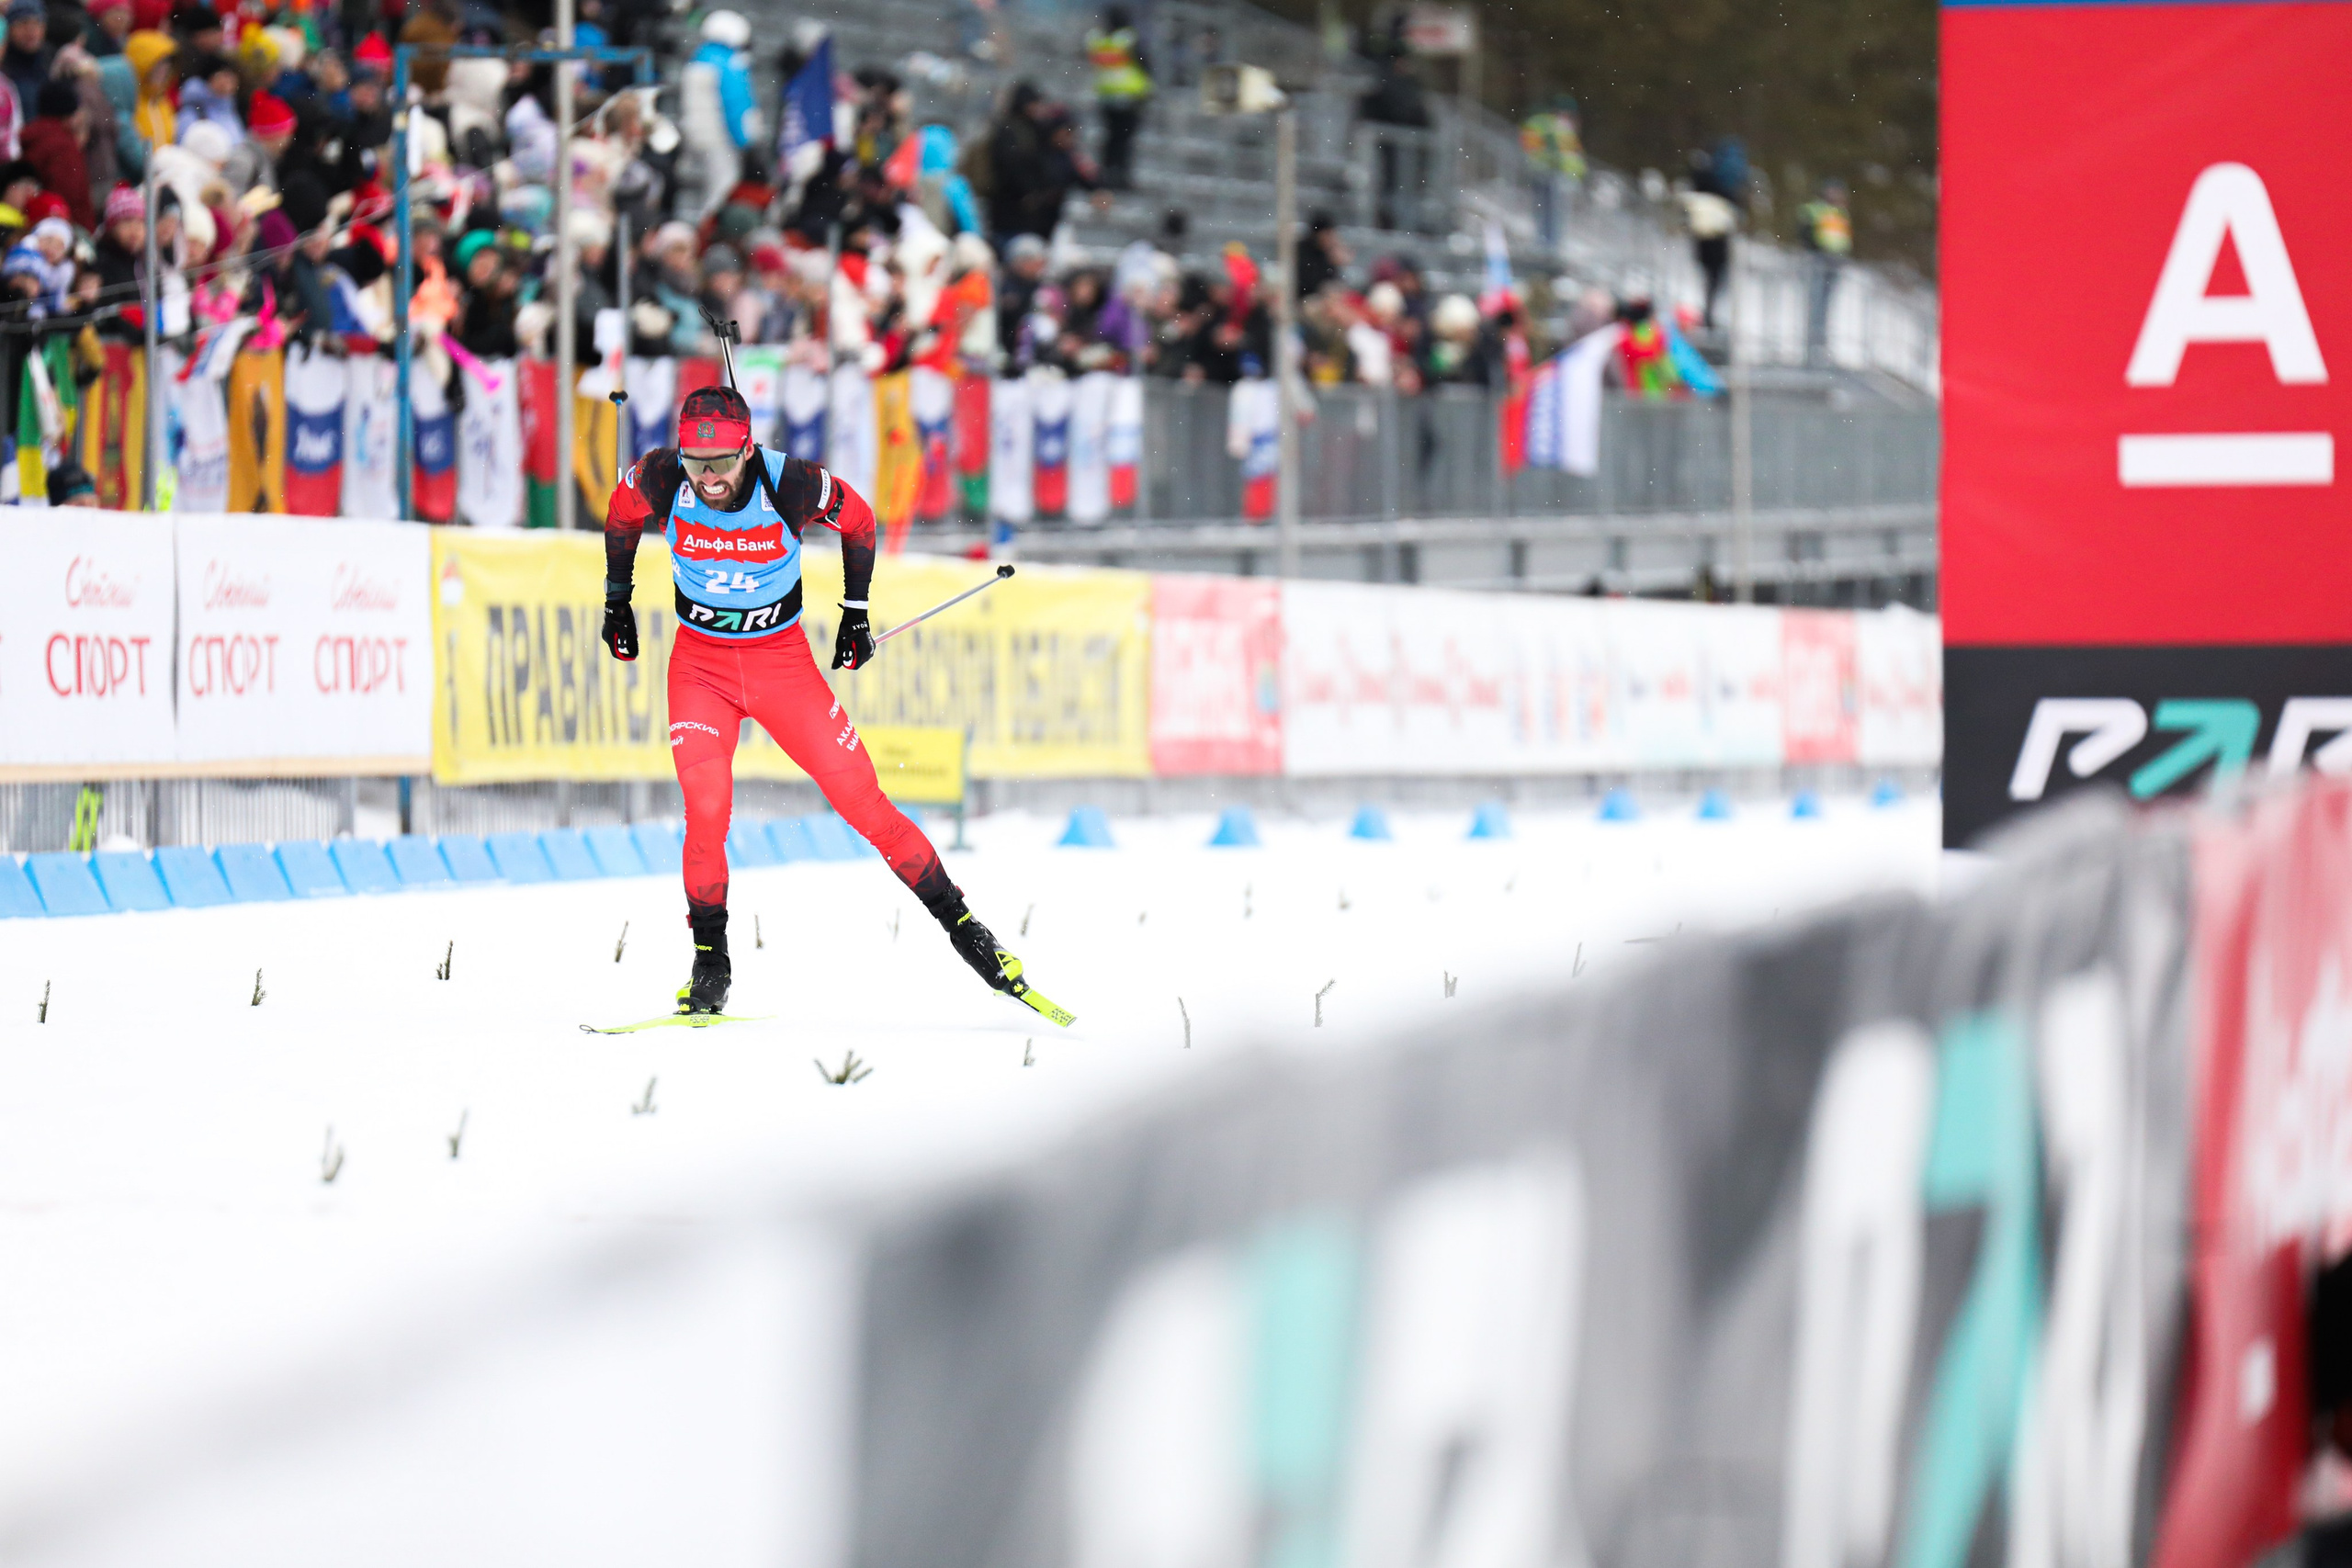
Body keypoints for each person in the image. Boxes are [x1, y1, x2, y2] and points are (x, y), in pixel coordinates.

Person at [596, 384, 1053, 1021]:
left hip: (781, 667)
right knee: (706, 810)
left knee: (865, 805)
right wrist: (617, 600)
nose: (709, 479)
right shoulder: (662, 474)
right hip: (700, 668)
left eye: (722, 462)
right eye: (698, 464)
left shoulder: (791, 484)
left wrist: (855, 613)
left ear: (747, 449)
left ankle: (968, 930)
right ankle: (710, 965)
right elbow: (620, 517)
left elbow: (860, 520)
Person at [1083, 4, 1149, 190]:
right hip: (1129, 97)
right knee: (1124, 140)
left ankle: (1106, 174)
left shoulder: (1097, 41)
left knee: (1111, 138)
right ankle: (1120, 176)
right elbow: (1145, 63)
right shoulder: (1127, 40)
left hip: (1106, 96)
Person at [1799, 177, 1850, 365]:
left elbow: (1842, 239)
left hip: (1834, 263)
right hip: (1819, 263)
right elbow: (1805, 234)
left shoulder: (1840, 212)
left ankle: (1821, 344)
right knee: (1816, 305)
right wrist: (1816, 251)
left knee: (1826, 306)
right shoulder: (1814, 209)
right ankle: (1812, 346)